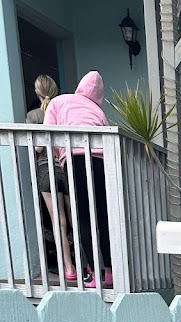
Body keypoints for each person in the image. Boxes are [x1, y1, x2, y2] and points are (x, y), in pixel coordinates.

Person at [44, 71, 112, 288]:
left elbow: (47, 135)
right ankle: (110, 272)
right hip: (101, 161)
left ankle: (95, 274)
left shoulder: (59, 102)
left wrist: (58, 155)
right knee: (104, 217)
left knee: (83, 217)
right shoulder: (98, 111)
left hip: (76, 160)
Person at [26, 75, 76, 281]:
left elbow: (37, 148)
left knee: (58, 221)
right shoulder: (63, 110)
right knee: (76, 218)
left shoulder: (33, 116)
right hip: (65, 166)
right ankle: (89, 265)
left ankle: (69, 268)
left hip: (46, 170)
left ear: (37, 92)